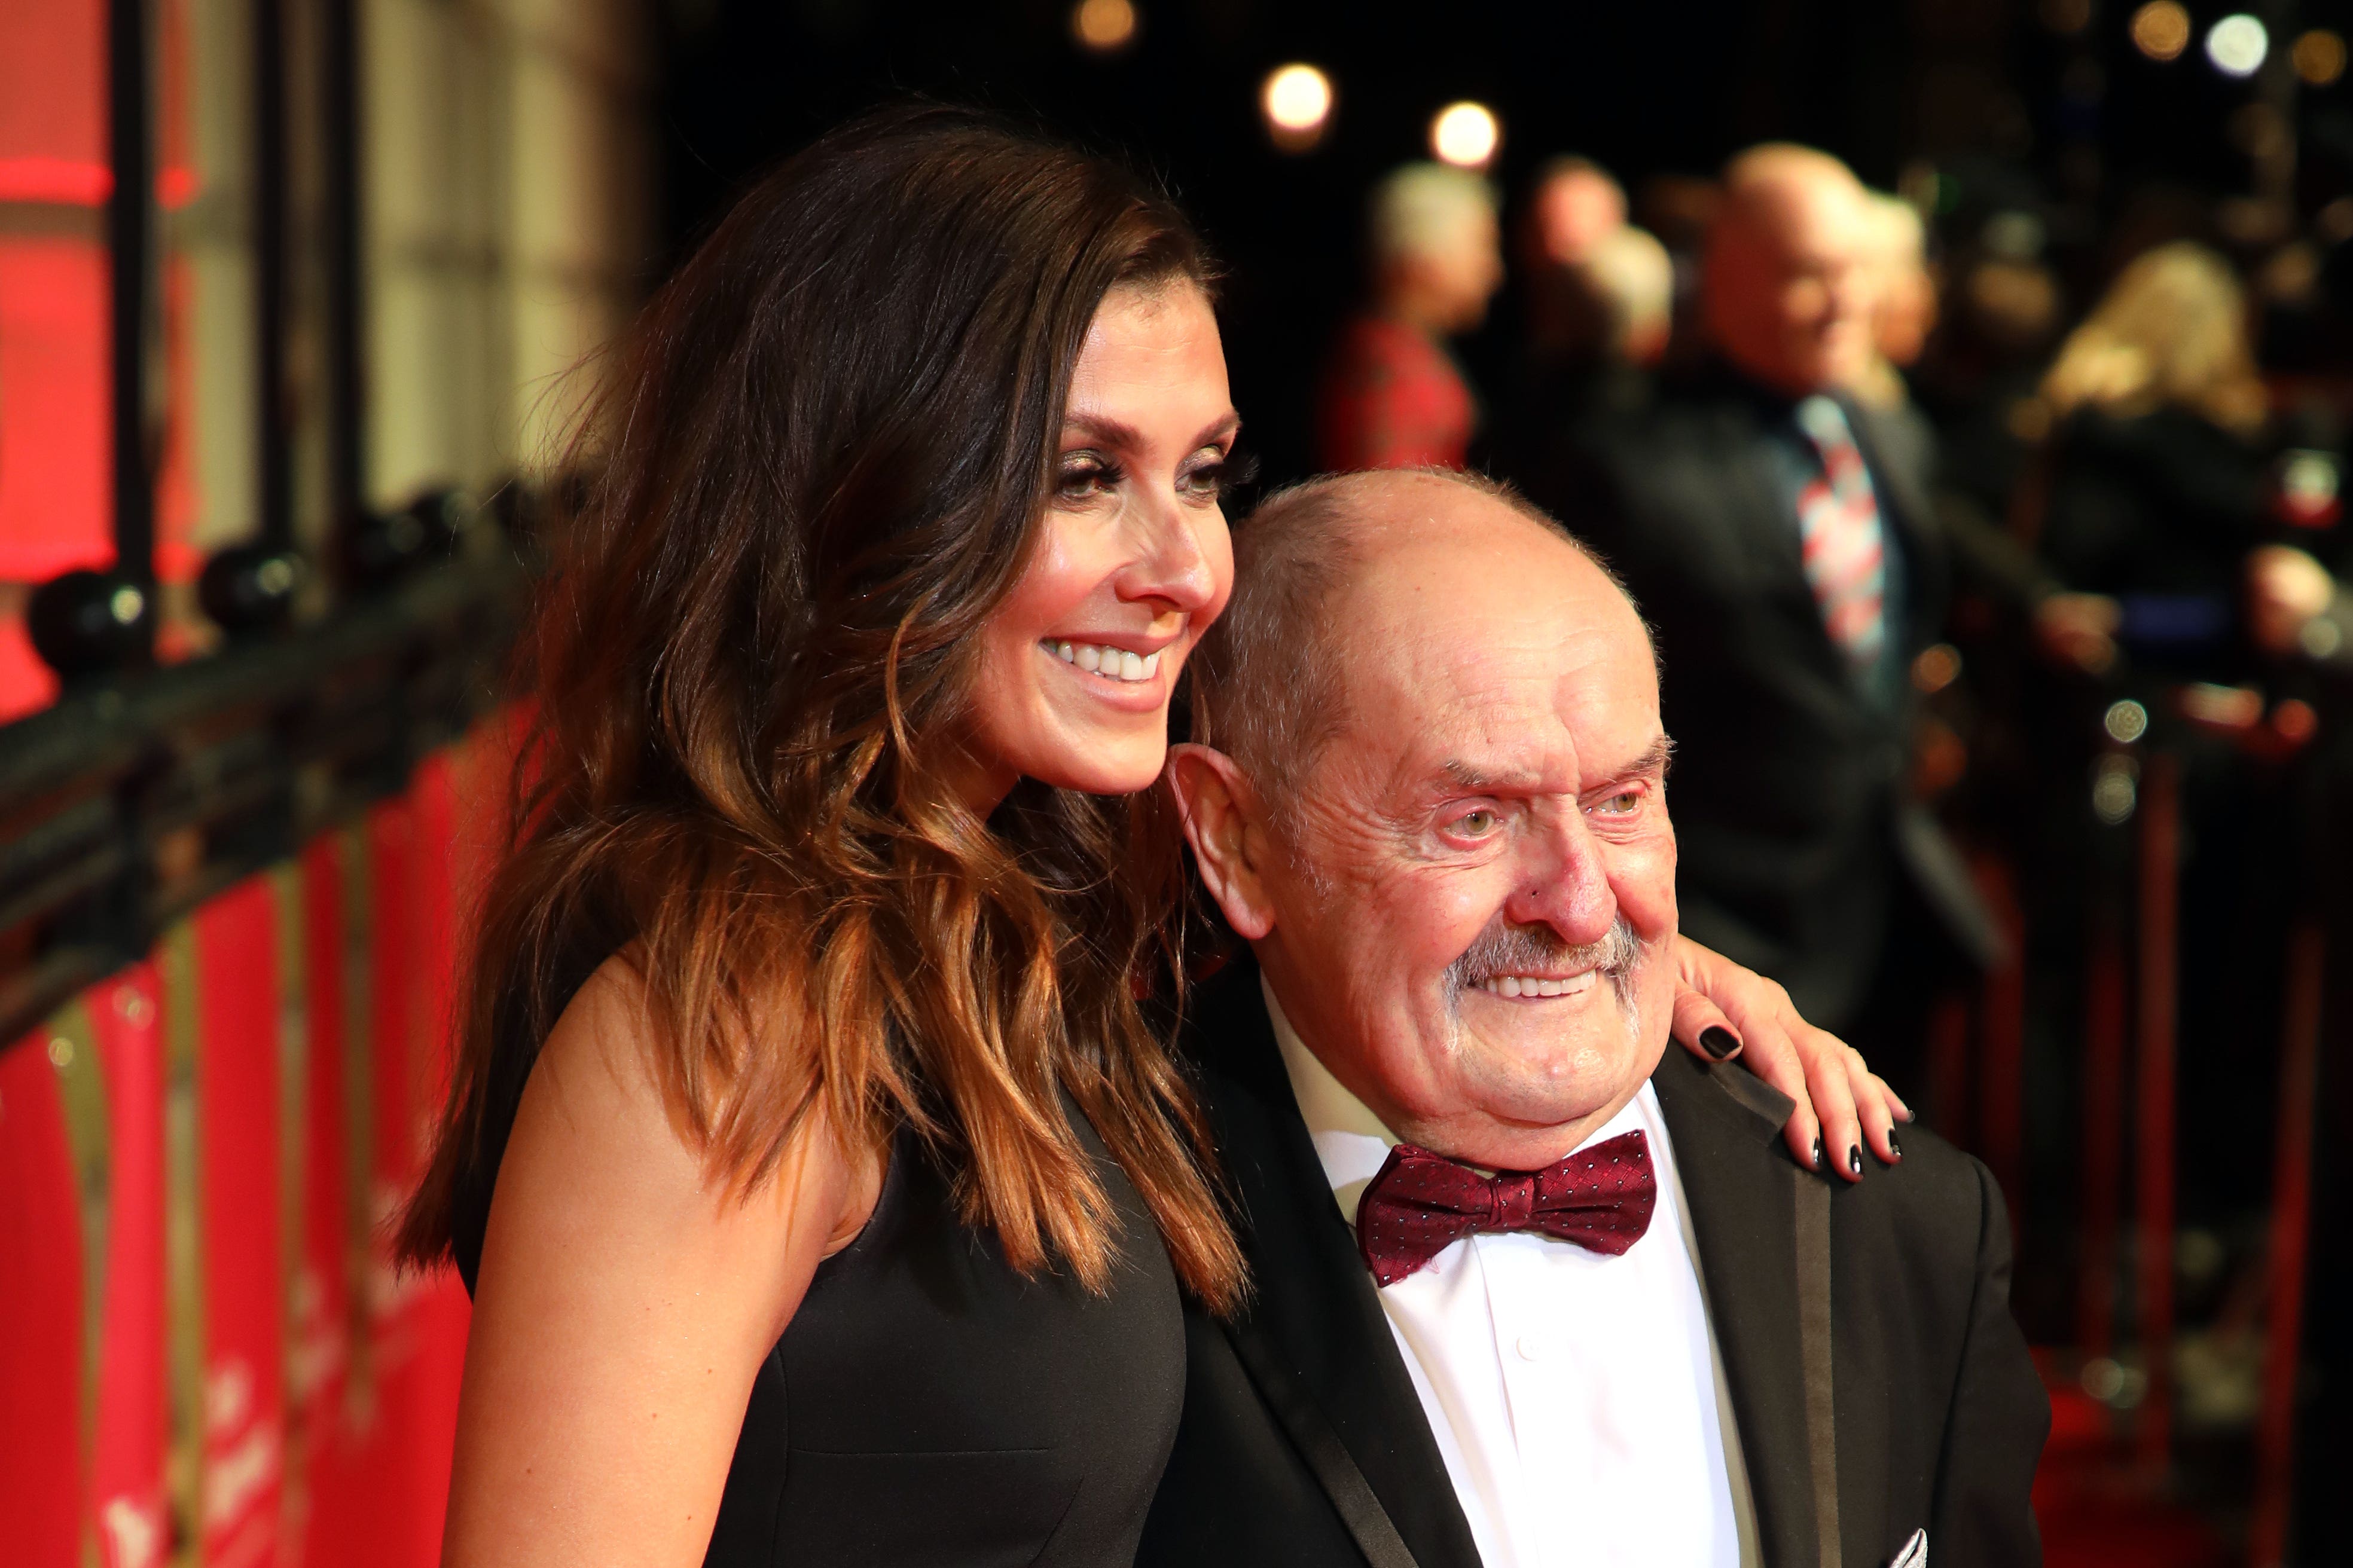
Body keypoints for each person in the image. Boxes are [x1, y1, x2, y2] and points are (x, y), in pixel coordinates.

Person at [393, 108, 1902, 1567]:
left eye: (1200, 473)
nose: (1184, 567)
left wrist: (1651, 960)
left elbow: (1374, 910)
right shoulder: (724, 1021)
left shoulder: (1030, 934)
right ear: (867, 495)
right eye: (1082, 476)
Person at [1141, 469, 2047, 1568]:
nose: (1580, 904)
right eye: (1473, 819)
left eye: (1622, 801)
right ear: (1236, 836)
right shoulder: (1074, 1239)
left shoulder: (1905, 1232)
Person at [1513, 144, 2003, 1096]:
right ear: (1724, 276)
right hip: (1712, 926)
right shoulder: (1622, 462)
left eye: (1855, 274)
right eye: (1808, 276)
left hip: (1881, 905)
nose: (1841, 304)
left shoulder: (1887, 434)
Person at [1316, 163, 1503, 472]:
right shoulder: (1381, 368)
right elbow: (1386, 502)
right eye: (1482, 247)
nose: (1493, 272)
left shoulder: (1395, 351)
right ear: (1421, 259)